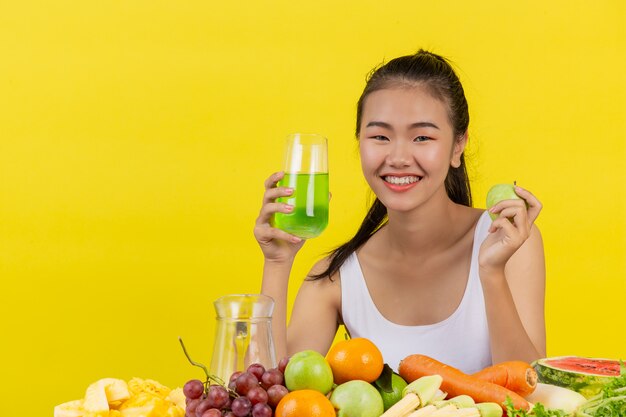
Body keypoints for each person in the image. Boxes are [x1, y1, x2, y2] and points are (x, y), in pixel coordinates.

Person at [254, 50, 546, 374]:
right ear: (359, 143)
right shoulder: (337, 277)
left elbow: (533, 393)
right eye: (380, 136)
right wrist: (277, 263)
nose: (398, 157)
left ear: (457, 146)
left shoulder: (507, 241)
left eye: (422, 137)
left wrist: (491, 273)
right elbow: (272, 393)